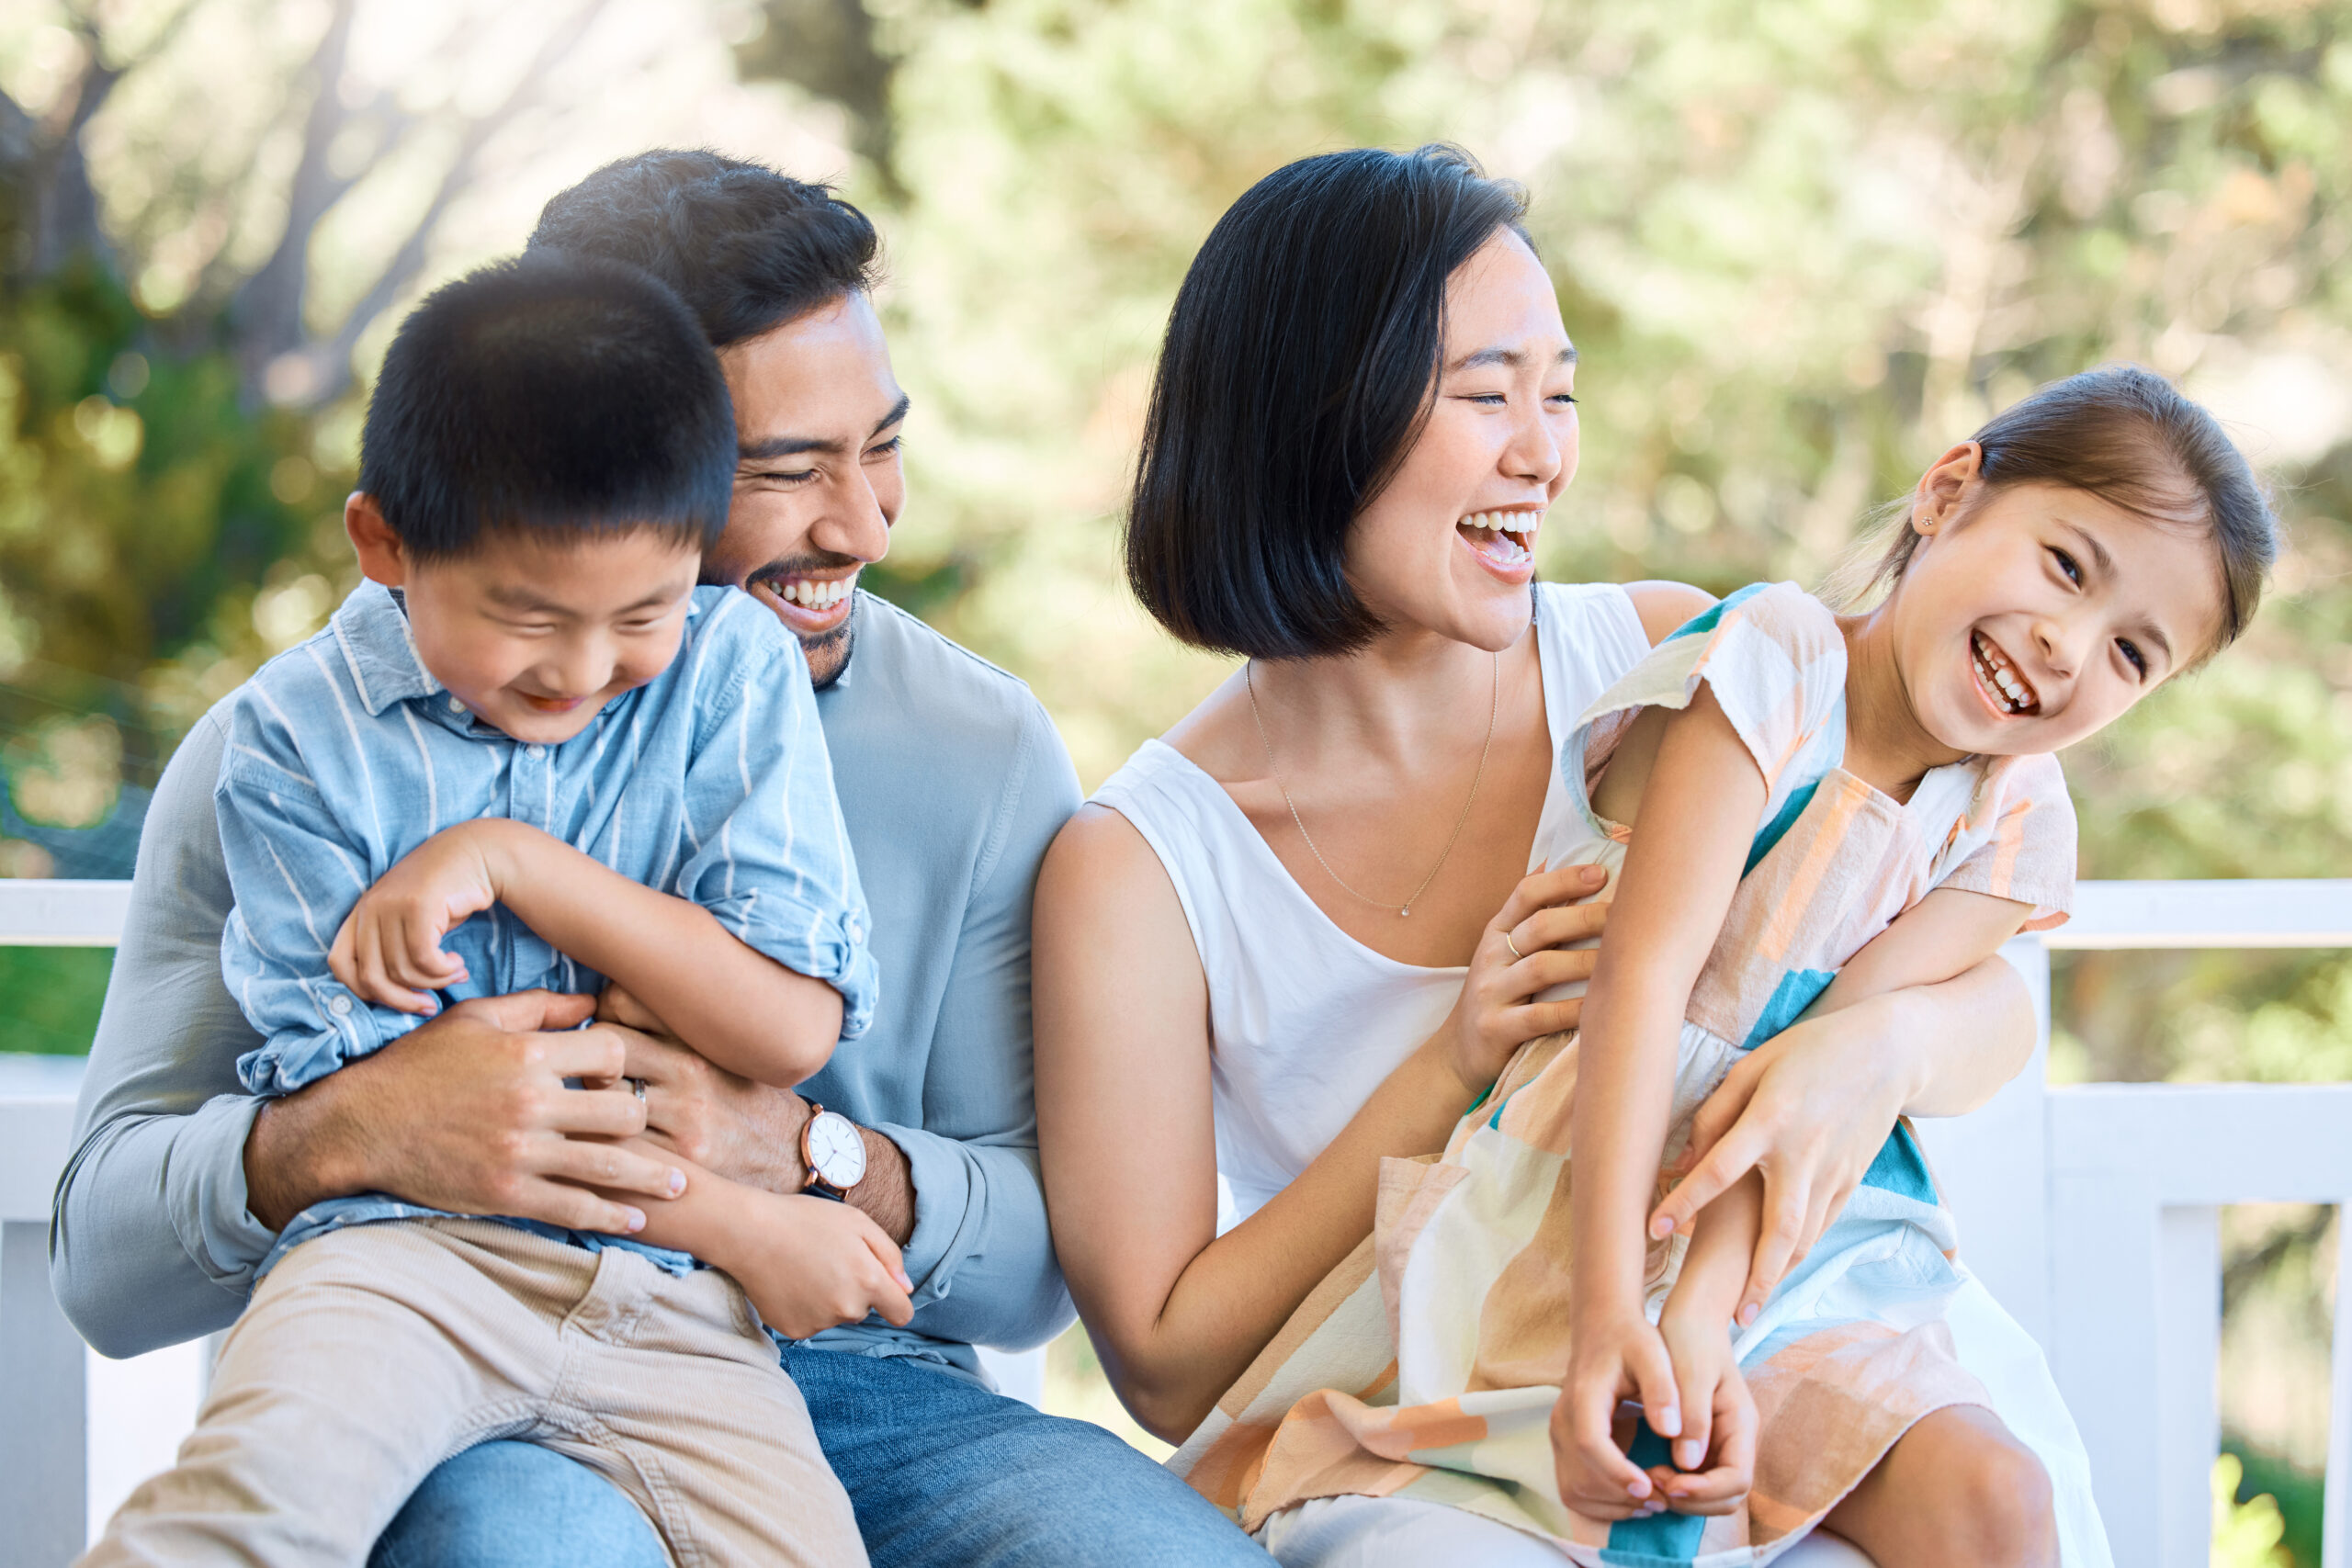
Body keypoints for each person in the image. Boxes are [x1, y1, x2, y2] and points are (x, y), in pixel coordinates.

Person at [54, 152, 1272, 1567]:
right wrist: (349, 1130)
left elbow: (1033, 1267)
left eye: (882, 446)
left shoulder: (977, 740)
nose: (866, 524)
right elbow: (102, 1260)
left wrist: (813, 1159)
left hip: (867, 1384)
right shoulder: (299, 749)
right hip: (458, 1353)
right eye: (787, 471)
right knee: (518, 1547)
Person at [1033, 144, 2115, 1566]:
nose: (1544, 451)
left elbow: (1979, 975)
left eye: (1561, 393)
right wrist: (1449, 1062)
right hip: (1427, 1421)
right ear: (1311, 411)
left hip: (1762, 1342)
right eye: (1486, 394)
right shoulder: (1139, 867)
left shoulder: (1677, 656)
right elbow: (1165, 1360)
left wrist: (1879, 1053)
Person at [1170, 368, 2275, 1566]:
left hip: (1784, 1249)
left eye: (2132, 656)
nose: (2069, 650)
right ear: (1949, 492)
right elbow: (1641, 986)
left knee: (2000, 1499)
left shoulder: (2010, 820)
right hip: (1579, 1199)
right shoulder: (1774, 663)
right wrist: (1613, 1317)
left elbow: (1814, 1080)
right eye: (2067, 567)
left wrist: (1701, 1316)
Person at [84, 250, 899, 1567]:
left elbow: (786, 1031)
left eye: (640, 613)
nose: (581, 669)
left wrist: (514, 859)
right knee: (245, 1512)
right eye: (527, 615)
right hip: (403, 1270)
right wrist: (741, 1216)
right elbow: (406, 1116)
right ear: (383, 544)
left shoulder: (733, 668)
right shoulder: (296, 740)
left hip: (682, 1318)